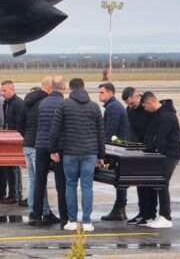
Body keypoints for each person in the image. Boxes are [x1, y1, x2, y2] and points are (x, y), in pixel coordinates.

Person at [49, 78, 105, 232]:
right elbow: (101, 132)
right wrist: (101, 155)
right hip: (90, 153)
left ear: (70, 88)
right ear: (84, 87)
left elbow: (55, 130)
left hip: (70, 152)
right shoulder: (94, 107)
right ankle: (87, 222)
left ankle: (72, 220)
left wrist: (52, 150)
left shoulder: (64, 105)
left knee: (70, 185)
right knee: (87, 186)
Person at [141, 91, 180, 229]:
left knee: (162, 183)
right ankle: (161, 215)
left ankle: (166, 217)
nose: (145, 110)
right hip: (164, 154)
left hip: (170, 154)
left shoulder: (166, 116)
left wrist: (157, 152)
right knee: (159, 183)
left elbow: (162, 138)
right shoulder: (159, 114)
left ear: (150, 102)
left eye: (145, 106)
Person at [20, 76, 56, 225]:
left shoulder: (28, 101)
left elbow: (20, 122)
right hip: (37, 144)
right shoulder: (45, 102)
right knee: (39, 181)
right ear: (48, 88)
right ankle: (39, 211)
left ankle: (40, 210)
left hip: (27, 143)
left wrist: (26, 135)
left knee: (33, 179)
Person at [34, 76, 68, 227]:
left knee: (39, 181)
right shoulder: (64, 104)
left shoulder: (43, 103)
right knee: (61, 183)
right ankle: (64, 217)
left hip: (40, 145)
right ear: (63, 88)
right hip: (58, 147)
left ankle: (36, 215)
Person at [98, 82, 131, 221]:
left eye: (102, 92)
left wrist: (102, 154)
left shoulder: (113, 108)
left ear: (110, 93)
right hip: (121, 148)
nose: (99, 95)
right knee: (120, 180)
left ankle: (119, 209)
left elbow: (109, 132)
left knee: (120, 179)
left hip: (119, 149)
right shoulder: (114, 106)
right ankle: (120, 209)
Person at [125, 88, 157, 225]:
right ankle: (142, 213)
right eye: (128, 104)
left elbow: (155, 128)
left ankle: (151, 214)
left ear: (138, 96)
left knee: (150, 184)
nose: (130, 106)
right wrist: (132, 145)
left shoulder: (148, 108)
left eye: (132, 103)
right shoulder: (129, 110)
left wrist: (150, 146)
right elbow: (131, 128)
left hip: (151, 149)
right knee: (140, 183)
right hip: (138, 149)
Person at [0, 80, 24, 205]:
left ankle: (15, 194)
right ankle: (13, 194)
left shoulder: (18, 104)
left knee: (14, 167)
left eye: (4, 90)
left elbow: (20, 123)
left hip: (16, 139)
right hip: (9, 138)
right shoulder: (7, 103)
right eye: (1, 90)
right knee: (10, 167)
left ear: (12, 89)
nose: (2, 93)